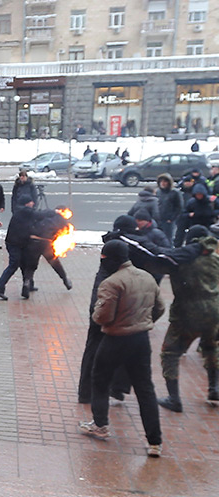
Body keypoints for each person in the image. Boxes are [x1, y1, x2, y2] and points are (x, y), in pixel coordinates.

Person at [80, 240, 165, 458]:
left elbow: (103, 316)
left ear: (110, 259)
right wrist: (144, 321)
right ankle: (154, 442)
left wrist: (100, 318)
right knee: (145, 389)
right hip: (141, 340)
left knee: (99, 379)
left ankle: (100, 424)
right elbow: (160, 307)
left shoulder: (112, 282)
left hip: (115, 339)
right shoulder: (147, 277)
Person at [156, 226, 219, 412]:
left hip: (186, 314)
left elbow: (157, 263)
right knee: (211, 348)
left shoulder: (180, 261)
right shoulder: (216, 259)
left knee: (170, 353)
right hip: (214, 312)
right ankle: (214, 389)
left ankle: (174, 398)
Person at [0, 195, 37, 300]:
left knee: (25, 264)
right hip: (14, 244)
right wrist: (55, 213)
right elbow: (40, 215)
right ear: (27, 204)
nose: (33, 204)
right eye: (31, 202)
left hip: (21, 243)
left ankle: (27, 287)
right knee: (14, 264)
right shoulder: (24, 212)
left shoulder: (22, 212)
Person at [156, 174, 183, 242]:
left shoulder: (175, 192)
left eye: (165, 181)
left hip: (168, 219)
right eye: (161, 181)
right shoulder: (158, 191)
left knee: (168, 239)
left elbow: (179, 207)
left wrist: (171, 218)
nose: (163, 183)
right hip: (158, 219)